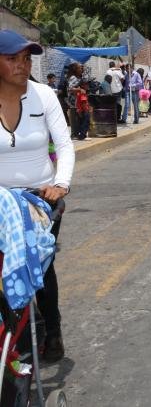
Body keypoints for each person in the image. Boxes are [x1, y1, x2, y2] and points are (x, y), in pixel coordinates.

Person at [0, 29, 74, 362]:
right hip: (1, 203)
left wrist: (61, 184)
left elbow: (65, 145)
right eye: (12, 59)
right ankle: (10, 334)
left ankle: (52, 331)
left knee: (40, 265)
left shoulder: (44, 96)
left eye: (26, 59)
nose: (22, 65)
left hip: (41, 201)